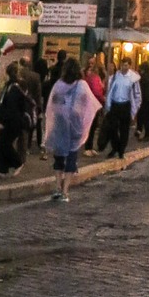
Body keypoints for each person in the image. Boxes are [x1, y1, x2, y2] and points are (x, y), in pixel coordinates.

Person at [42, 57, 100, 203]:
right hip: (75, 125)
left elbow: (53, 104)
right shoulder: (82, 85)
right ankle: (65, 191)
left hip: (60, 125)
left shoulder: (59, 85)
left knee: (59, 157)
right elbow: (88, 103)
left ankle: (57, 187)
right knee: (71, 157)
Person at [0, 64, 33, 177]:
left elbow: (10, 107)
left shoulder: (12, 88)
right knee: (1, 144)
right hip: (12, 120)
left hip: (12, 121)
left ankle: (17, 163)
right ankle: (1, 170)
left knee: (5, 144)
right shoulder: (12, 86)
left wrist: (1, 120)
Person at [103, 59, 140, 159]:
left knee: (124, 130)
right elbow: (110, 91)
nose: (125, 67)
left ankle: (121, 150)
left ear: (129, 66)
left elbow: (137, 94)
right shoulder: (115, 77)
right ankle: (115, 147)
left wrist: (134, 109)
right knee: (112, 128)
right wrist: (108, 105)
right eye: (123, 65)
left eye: (127, 65)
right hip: (115, 105)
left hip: (125, 105)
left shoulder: (133, 78)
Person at [83, 55, 106, 152]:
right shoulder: (94, 78)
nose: (90, 66)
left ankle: (89, 146)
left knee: (91, 126)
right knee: (92, 126)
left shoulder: (86, 77)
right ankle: (88, 147)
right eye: (89, 64)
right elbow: (97, 92)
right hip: (93, 104)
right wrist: (103, 99)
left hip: (88, 104)